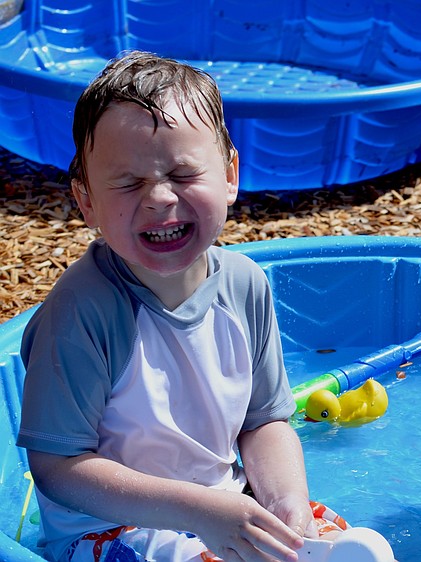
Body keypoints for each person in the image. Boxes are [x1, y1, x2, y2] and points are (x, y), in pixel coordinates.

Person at [15, 51, 342, 562]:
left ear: (230, 175)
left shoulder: (245, 286)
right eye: (128, 183)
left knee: (338, 543)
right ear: (87, 202)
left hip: (219, 507)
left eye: (184, 173)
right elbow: (58, 470)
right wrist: (198, 511)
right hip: (109, 531)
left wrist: (286, 504)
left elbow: (264, 423)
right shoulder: (82, 314)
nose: (159, 198)